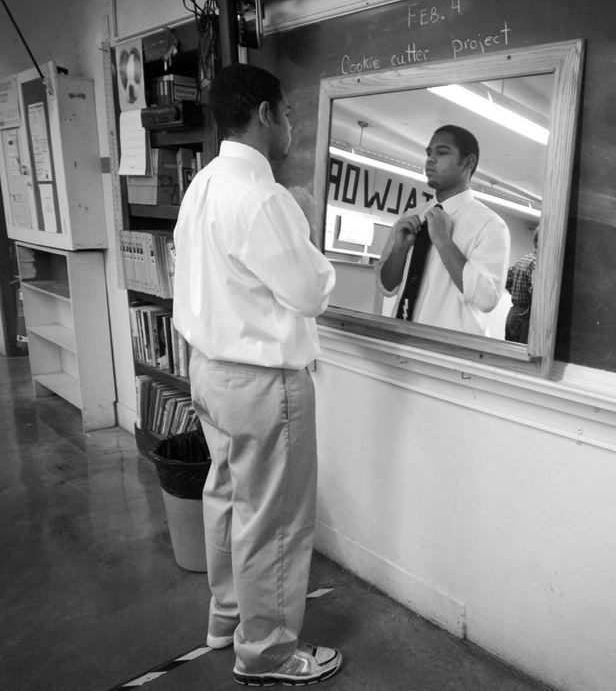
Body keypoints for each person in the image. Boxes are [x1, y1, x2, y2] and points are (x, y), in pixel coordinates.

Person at [171, 63, 340, 686]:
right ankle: (267, 654)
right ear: (266, 114)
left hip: (210, 374)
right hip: (264, 385)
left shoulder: (203, 185)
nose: (293, 124)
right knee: (275, 521)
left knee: (228, 497)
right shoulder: (266, 197)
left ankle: (227, 618)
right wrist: (303, 223)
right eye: (289, 112)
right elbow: (310, 292)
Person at [377, 125, 510, 334]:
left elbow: (486, 298)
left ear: (468, 162)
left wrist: (443, 241)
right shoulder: (411, 217)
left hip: (450, 358)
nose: (430, 159)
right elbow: (386, 287)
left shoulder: (490, 226)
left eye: (442, 152)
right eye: (429, 153)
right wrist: (399, 250)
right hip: (400, 345)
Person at [504, 226, 539, 343]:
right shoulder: (536, 263)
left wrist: (516, 293)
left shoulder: (523, 259)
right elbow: (535, 293)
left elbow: (506, 279)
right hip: (525, 318)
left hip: (513, 314)